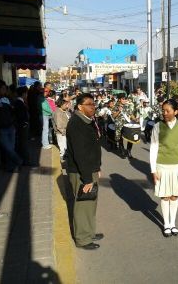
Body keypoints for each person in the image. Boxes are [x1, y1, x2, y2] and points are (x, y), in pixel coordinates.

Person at [66, 93, 103, 250]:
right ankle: (83, 239)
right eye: (89, 105)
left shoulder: (87, 121)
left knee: (90, 203)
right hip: (82, 172)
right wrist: (87, 178)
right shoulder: (77, 124)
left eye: (93, 104)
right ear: (80, 107)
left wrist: (97, 167)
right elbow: (80, 154)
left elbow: (92, 148)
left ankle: (89, 232)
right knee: (83, 205)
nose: (92, 107)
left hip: (90, 169)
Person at [150, 99, 178, 237]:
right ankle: (166, 224)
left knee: (174, 196)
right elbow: (153, 149)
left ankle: (173, 223)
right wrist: (153, 170)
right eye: (163, 110)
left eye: (168, 110)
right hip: (162, 166)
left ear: (176, 111)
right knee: (165, 196)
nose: (164, 113)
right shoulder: (157, 127)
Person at [0, 80, 23, 172]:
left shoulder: (6, 99)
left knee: (10, 149)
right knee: (9, 149)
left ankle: (10, 167)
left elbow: (13, 112)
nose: (5, 90)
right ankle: (19, 161)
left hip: (11, 128)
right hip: (1, 130)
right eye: (3, 88)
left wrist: (13, 123)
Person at [14, 86, 31, 166]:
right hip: (22, 126)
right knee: (24, 144)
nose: (27, 95)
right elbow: (20, 116)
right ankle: (25, 161)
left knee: (24, 143)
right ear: (24, 94)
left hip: (23, 125)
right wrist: (25, 124)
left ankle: (25, 160)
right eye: (26, 93)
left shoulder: (21, 102)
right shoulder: (19, 103)